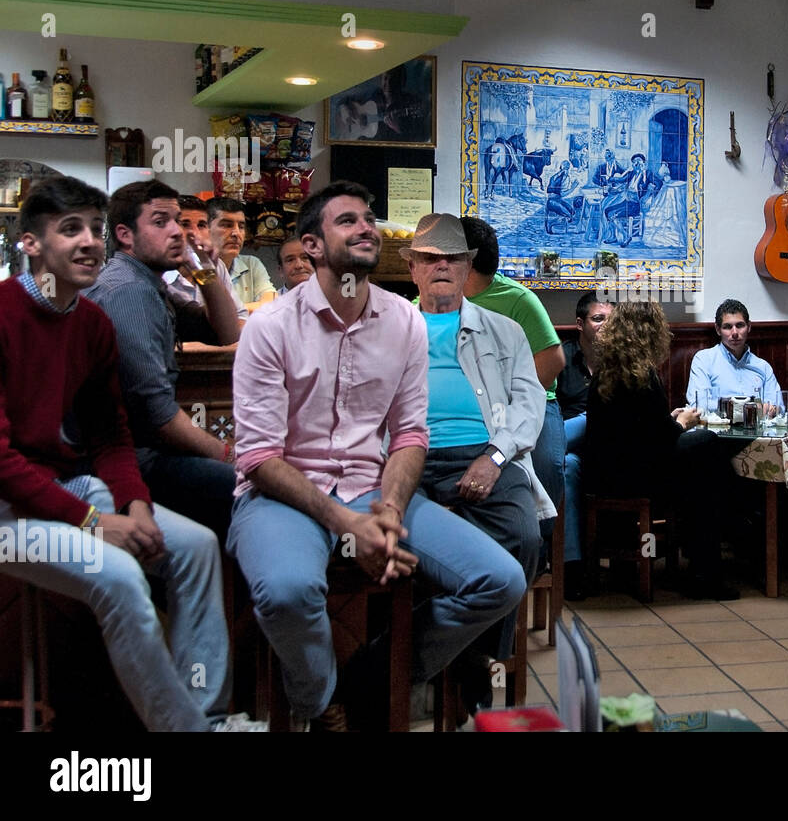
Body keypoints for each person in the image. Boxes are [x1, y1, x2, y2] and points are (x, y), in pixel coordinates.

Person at [228, 182, 525, 730]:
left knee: (500, 579)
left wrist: (387, 507)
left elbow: (410, 434)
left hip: (371, 488)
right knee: (290, 591)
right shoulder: (270, 326)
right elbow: (258, 457)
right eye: (348, 221)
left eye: (369, 218)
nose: (367, 227)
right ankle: (319, 704)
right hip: (281, 495)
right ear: (312, 245)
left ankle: (369, 679)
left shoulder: (402, 320)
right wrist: (348, 524)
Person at [0, 177, 260, 731]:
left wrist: (135, 505)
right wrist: (95, 521)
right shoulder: (4, 316)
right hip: (6, 506)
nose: (90, 242)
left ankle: (209, 713)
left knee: (196, 547)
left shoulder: (90, 320)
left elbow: (112, 438)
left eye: (94, 229)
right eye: (71, 230)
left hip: (72, 486)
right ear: (30, 244)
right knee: (119, 575)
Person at [403, 212, 549, 711]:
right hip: (410, 455)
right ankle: (455, 662)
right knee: (392, 541)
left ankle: (472, 656)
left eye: (453, 258)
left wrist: (494, 456)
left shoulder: (503, 330)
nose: (442, 266)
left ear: (468, 269)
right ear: (413, 270)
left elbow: (530, 404)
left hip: (487, 450)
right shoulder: (388, 329)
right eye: (430, 258)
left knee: (525, 536)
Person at [85, 181, 241, 542]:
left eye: (178, 221)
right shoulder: (128, 292)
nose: (178, 232)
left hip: (145, 455)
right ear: (124, 234)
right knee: (253, 486)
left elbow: (225, 332)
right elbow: (158, 416)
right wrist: (229, 455)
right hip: (132, 464)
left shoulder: (147, 283)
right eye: (161, 222)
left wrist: (204, 271)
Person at [584, 301, 738, 600]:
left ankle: (700, 560)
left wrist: (670, 421)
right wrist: (682, 422)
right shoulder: (641, 374)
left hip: (606, 474)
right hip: (632, 479)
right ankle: (705, 569)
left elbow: (637, 430)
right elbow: (658, 441)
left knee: (701, 463)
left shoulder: (609, 371)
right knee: (706, 451)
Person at [460, 216, 566, 552]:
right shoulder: (436, 303)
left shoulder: (518, 299)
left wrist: (515, 403)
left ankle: (542, 544)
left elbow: (552, 363)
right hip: (472, 407)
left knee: (546, 462)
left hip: (534, 403)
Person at [555, 291, 612, 598]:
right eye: (598, 319)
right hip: (569, 445)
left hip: (612, 446)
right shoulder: (561, 358)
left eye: (611, 320)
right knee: (567, 464)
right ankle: (572, 567)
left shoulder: (623, 362)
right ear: (580, 324)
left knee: (602, 418)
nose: (606, 326)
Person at [686, 298, 782, 413]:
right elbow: (700, 406)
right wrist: (752, 408)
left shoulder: (763, 367)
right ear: (718, 329)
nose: (735, 333)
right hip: (716, 430)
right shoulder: (704, 360)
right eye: (727, 327)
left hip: (756, 429)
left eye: (740, 325)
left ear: (749, 327)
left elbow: (779, 407)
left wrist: (773, 409)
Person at [162, 194, 247, 323]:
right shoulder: (157, 273)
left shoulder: (215, 266)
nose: (195, 233)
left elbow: (239, 318)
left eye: (201, 225)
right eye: (185, 224)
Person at [207, 197, 275, 310]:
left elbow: (271, 304)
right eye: (226, 225)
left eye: (241, 227)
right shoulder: (196, 268)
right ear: (205, 228)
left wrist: (225, 312)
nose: (236, 233)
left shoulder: (251, 264)